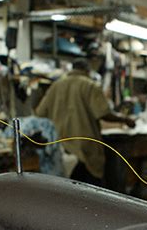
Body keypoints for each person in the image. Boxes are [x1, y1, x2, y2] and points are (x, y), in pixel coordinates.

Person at [35, 58, 135, 186]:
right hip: (84, 145)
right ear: (87, 70)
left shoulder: (56, 85)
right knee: (90, 191)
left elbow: (40, 113)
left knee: (67, 191)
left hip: (61, 146)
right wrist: (125, 119)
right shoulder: (90, 85)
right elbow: (103, 113)